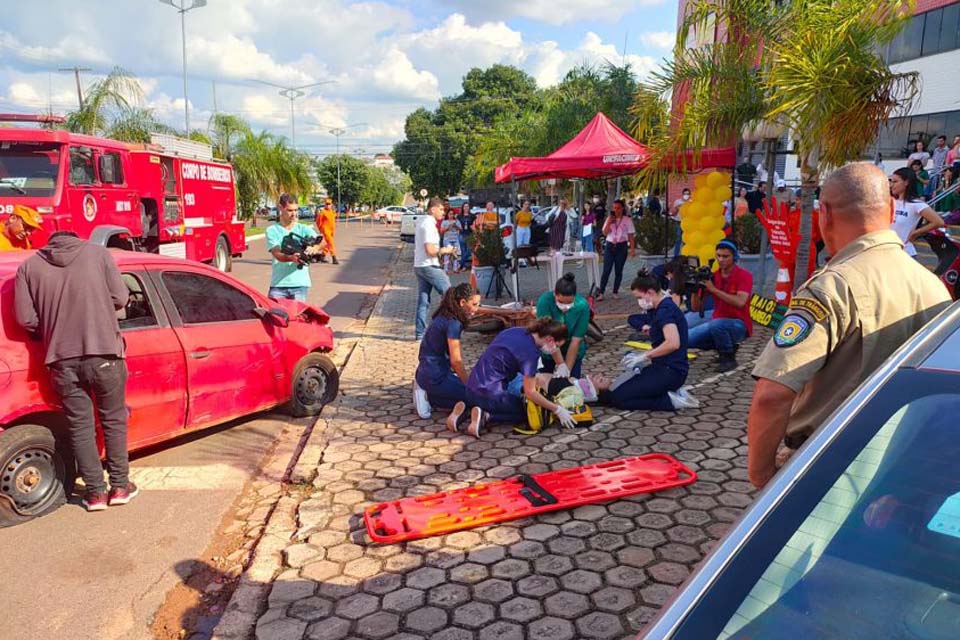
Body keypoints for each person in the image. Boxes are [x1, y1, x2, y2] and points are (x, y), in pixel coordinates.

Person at [748, 162, 952, 489]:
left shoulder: (832, 287)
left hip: (825, 463)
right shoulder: (933, 286)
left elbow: (772, 394)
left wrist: (762, 477)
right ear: (889, 210)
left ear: (824, 214)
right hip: (899, 463)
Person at [15, 231, 135, 511]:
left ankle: (94, 494)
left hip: (61, 359)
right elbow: (120, 297)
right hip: (104, 352)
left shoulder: (28, 267)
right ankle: (119, 487)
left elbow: (25, 318)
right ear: (77, 238)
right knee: (113, 420)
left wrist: (53, 328)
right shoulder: (99, 254)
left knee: (80, 427)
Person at [446, 318, 573, 437]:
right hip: (489, 394)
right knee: (526, 411)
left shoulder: (515, 331)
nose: (555, 350)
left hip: (470, 388)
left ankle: (466, 412)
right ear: (550, 339)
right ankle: (486, 416)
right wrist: (557, 409)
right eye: (556, 346)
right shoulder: (530, 354)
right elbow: (531, 393)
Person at [591, 270, 695, 411]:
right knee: (620, 393)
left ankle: (671, 401)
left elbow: (673, 343)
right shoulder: (660, 307)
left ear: (650, 292)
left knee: (618, 398)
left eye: (639, 297)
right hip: (662, 367)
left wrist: (644, 355)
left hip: (671, 372)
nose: (639, 302)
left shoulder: (665, 311)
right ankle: (666, 395)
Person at [412, 284, 481, 419]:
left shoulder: (445, 314)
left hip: (427, 370)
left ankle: (428, 392)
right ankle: (428, 396)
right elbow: (456, 361)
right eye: (475, 304)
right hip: (435, 376)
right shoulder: (454, 324)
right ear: (462, 303)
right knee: (475, 397)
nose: (477, 309)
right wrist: (468, 384)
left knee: (465, 398)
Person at [688, 240, 753, 372]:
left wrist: (714, 290)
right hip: (717, 320)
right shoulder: (713, 276)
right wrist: (695, 290)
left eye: (725, 256)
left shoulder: (744, 275)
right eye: (718, 256)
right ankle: (724, 344)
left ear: (734, 257)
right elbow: (695, 308)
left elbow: (740, 302)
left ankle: (728, 358)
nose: (721, 259)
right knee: (686, 339)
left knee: (717, 325)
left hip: (739, 324)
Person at [415, 197, 457, 340]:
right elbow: (430, 250)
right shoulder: (428, 225)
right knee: (450, 295)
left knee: (423, 301)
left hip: (420, 265)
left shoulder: (423, 222)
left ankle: (420, 334)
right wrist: (446, 250)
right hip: (429, 265)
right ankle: (450, 331)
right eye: (441, 209)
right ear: (433, 209)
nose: (443, 212)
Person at [267, 193, 320, 301]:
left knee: (297, 317)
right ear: (280, 208)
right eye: (290, 210)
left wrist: (315, 248)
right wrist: (292, 258)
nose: (294, 214)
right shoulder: (272, 230)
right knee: (275, 317)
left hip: (300, 285)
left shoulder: (303, 228)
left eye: (296, 210)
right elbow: (277, 254)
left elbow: (321, 241)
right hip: (278, 285)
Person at [536, 273, 589, 378]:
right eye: (560, 302)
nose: (565, 307)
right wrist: (560, 364)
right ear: (555, 294)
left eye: (569, 302)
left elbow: (576, 340)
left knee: (571, 382)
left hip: (573, 350)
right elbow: (549, 337)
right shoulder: (545, 302)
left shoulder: (582, 305)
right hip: (549, 349)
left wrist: (566, 371)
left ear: (575, 296)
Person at [888, 167, 944, 258]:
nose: (891, 185)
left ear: (906, 182)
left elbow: (938, 222)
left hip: (905, 254)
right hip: (888, 253)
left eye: (895, 182)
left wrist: (916, 232)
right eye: (891, 181)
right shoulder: (891, 202)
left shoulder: (916, 204)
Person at [597, 199, 636, 300]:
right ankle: (601, 292)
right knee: (606, 270)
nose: (616, 210)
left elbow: (631, 236)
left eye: (618, 208)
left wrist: (632, 249)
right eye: (614, 208)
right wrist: (609, 222)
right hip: (610, 246)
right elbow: (605, 233)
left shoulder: (627, 220)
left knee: (618, 270)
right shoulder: (610, 218)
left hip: (621, 246)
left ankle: (615, 291)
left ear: (622, 208)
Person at [316, 198, 339, 264]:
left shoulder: (332, 211)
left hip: (332, 231)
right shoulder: (323, 212)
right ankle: (334, 258)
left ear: (331, 204)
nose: (328, 205)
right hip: (326, 230)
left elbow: (332, 220)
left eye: (329, 204)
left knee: (327, 244)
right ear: (325, 205)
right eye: (327, 204)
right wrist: (321, 229)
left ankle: (322, 257)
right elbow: (318, 221)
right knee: (331, 243)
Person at [440, 209, 461, 273]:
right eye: (450, 214)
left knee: (455, 254)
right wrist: (448, 227)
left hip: (455, 239)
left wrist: (455, 226)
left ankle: (455, 268)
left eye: (452, 214)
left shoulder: (457, 221)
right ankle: (445, 269)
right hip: (447, 239)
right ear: (447, 215)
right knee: (447, 254)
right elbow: (441, 231)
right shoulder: (445, 222)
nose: (451, 215)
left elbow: (461, 229)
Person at [457, 203, 475, 270]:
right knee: (463, 251)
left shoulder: (472, 216)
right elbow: (457, 225)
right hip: (462, 234)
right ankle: (464, 266)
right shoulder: (459, 216)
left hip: (470, 234)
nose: (466, 208)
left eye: (467, 206)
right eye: (465, 206)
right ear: (463, 208)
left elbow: (475, 224)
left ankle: (460, 263)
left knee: (469, 250)